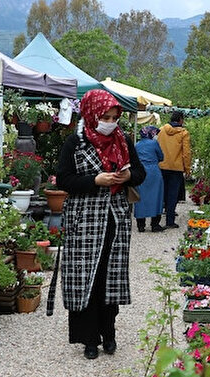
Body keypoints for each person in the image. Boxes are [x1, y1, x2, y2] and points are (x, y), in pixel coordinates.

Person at [56, 89, 146, 359]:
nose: (110, 121)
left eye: (114, 117)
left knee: (110, 277)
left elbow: (140, 173)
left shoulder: (123, 140)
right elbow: (64, 180)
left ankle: (109, 333)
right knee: (87, 278)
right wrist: (96, 180)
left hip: (115, 221)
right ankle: (89, 339)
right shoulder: (76, 143)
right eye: (105, 116)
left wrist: (127, 175)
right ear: (91, 114)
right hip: (84, 220)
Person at [158, 110, 191, 228]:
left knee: (162, 192)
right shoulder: (184, 133)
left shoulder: (161, 131)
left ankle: (155, 220)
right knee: (173, 194)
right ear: (181, 120)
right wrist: (187, 168)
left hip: (162, 165)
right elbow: (186, 153)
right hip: (176, 168)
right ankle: (169, 220)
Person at [134, 125, 165, 232]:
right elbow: (161, 157)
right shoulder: (154, 143)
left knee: (140, 198)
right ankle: (155, 224)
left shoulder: (137, 145)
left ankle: (140, 225)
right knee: (156, 197)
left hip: (141, 172)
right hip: (153, 172)